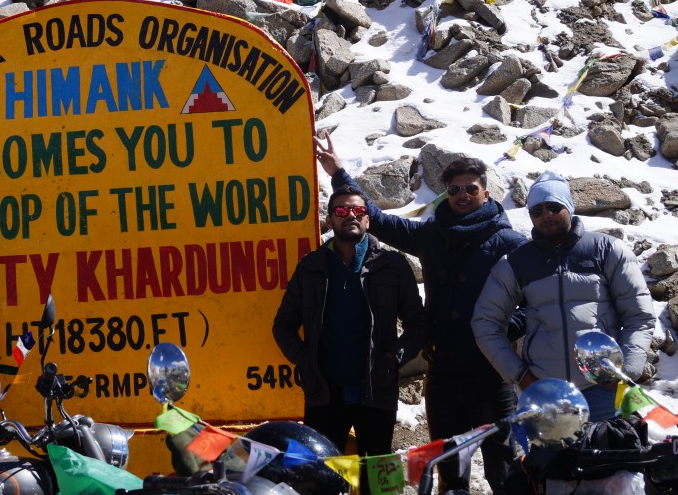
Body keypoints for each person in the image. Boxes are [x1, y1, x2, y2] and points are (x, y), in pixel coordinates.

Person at [315, 135, 525, 495]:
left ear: (486, 193)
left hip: (493, 373)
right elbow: (377, 220)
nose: (462, 194)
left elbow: (536, 302)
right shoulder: (432, 235)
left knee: (502, 469)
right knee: (448, 468)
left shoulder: (512, 243)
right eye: (455, 189)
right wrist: (338, 174)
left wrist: (508, 328)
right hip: (442, 372)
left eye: (470, 188)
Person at [472, 171, 654, 422]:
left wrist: (625, 371)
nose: (546, 214)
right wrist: (521, 376)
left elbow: (639, 316)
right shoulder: (516, 263)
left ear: (568, 205)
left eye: (553, 206)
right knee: (551, 463)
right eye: (537, 210)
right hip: (547, 394)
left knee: (612, 460)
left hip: (605, 390)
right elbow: (485, 322)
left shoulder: (608, 250)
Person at [273, 186, 426, 457]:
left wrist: (393, 358)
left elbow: (418, 322)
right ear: (330, 219)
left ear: (368, 218)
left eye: (358, 210)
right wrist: (304, 359)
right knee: (324, 475)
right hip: (323, 393)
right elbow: (283, 324)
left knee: (379, 477)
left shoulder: (392, 265)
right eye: (341, 211)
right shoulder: (311, 267)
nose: (350, 215)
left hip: (377, 390)